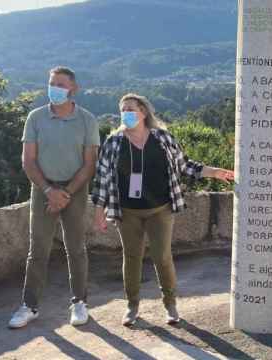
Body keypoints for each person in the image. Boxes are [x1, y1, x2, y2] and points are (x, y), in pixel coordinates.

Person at [91, 94, 234, 326]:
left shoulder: (163, 138)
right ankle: (132, 306)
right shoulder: (113, 142)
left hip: (160, 209)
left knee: (162, 256)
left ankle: (170, 304)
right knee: (132, 257)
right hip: (127, 211)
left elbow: (185, 164)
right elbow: (102, 179)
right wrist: (99, 211)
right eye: (122, 110)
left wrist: (214, 172)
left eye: (131, 109)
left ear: (144, 112)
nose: (126, 114)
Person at [9, 66, 100, 329]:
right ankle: (29, 305)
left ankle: (79, 302)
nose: (54, 88)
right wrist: (49, 191)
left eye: (60, 84)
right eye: (51, 83)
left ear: (73, 89)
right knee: (37, 249)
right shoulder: (35, 118)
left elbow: (89, 165)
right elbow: (28, 161)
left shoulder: (87, 120)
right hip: (42, 190)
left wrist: (67, 193)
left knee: (76, 248)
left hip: (76, 189)